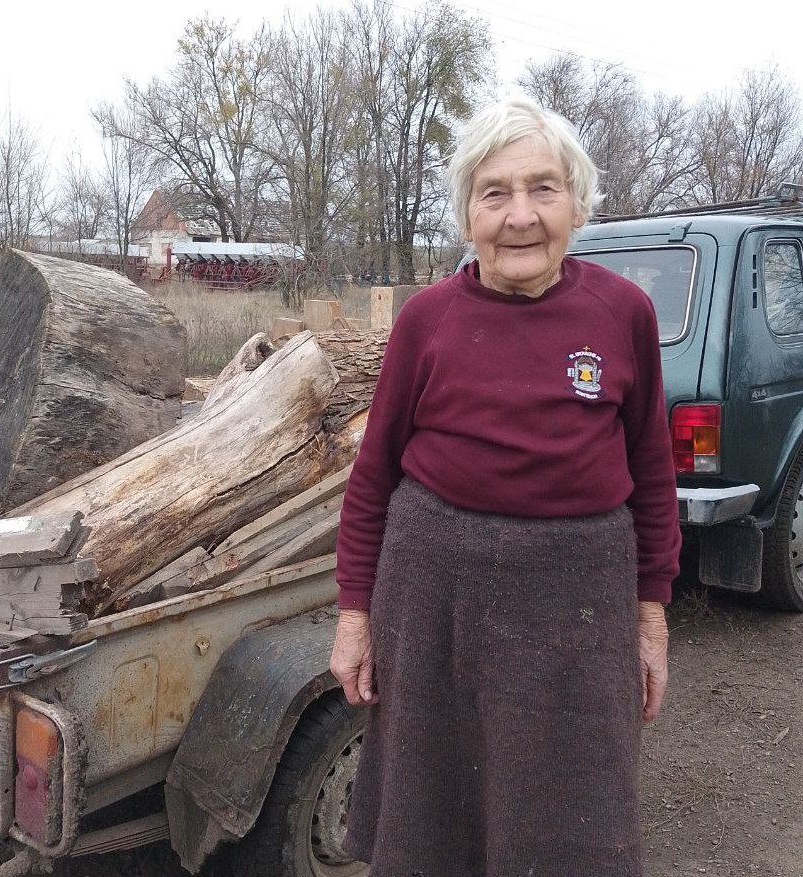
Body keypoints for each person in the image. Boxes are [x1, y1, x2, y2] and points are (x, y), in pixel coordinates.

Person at [329, 98, 680, 876]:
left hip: (578, 603)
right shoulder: (426, 320)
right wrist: (354, 616)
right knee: (429, 814)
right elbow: (373, 476)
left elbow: (653, 478)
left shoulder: (622, 313)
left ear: (577, 204)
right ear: (465, 215)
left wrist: (648, 619)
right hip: (433, 595)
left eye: (542, 188)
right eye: (494, 192)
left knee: (574, 815)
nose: (519, 215)